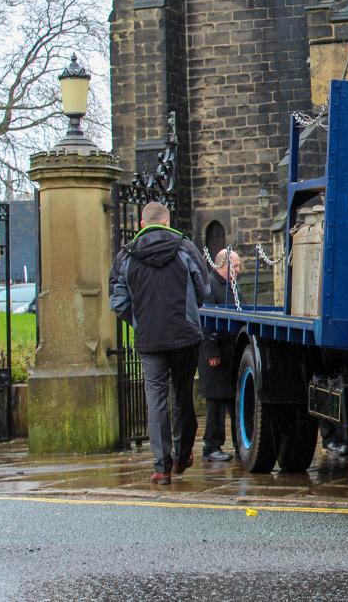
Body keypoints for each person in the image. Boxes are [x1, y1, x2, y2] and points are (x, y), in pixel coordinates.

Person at [109, 202, 210, 485]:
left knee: (156, 401)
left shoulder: (126, 256)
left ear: (143, 224)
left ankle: (162, 467)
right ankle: (182, 454)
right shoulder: (185, 248)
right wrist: (189, 311)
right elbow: (203, 289)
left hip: (149, 339)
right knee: (182, 397)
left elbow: (117, 301)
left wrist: (139, 321)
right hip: (185, 335)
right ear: (166, 221)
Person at [199, 248, 241, 462]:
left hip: (230, 352)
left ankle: (237, 442)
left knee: (232, 400)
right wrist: (212, 351)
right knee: (215, 402)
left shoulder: (231, 286)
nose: (239, 270)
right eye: (235, 266)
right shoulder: (209, 286)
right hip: (215, 354)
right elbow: (206, 322)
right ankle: (211, 446)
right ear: (223, 265)